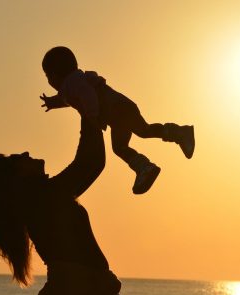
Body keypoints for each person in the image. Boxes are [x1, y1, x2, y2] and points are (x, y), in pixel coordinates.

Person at [0, 116, 126, 295]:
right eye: (20, 159)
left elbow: (90, 163)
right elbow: (89, 163)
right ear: (18, 179)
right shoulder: (45, 198)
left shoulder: (44, 198)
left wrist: (89, 113)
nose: (27, 153)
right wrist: (87, 111)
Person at [40, 46, 195, 195]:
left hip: (117, 110)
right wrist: (53, 103)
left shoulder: (72, 83)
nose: (49, 81)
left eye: (48, 76)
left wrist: (92, 116)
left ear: (54, 75)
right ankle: (175, 137)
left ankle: (147, 166)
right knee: (141, 133)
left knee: (126, 143)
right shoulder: (74, 83)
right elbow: (68, 98)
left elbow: (87, 94)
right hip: (120, 110)